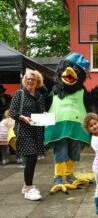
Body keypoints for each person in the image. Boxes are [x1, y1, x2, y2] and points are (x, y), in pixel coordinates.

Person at [9, 69, 46, 201]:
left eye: (33, 79)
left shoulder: (40, 96)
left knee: (33, 159)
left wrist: (45, 115)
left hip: (36, 131)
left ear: (38, 82)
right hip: (24, 130)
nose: (30, 81)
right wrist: (22, 117)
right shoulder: (19, 94)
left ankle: (26, 185)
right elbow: (12, 112)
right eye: (28, 79)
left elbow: (41, 112)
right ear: (25, 80)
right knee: (30, 157)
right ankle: (29, 188)